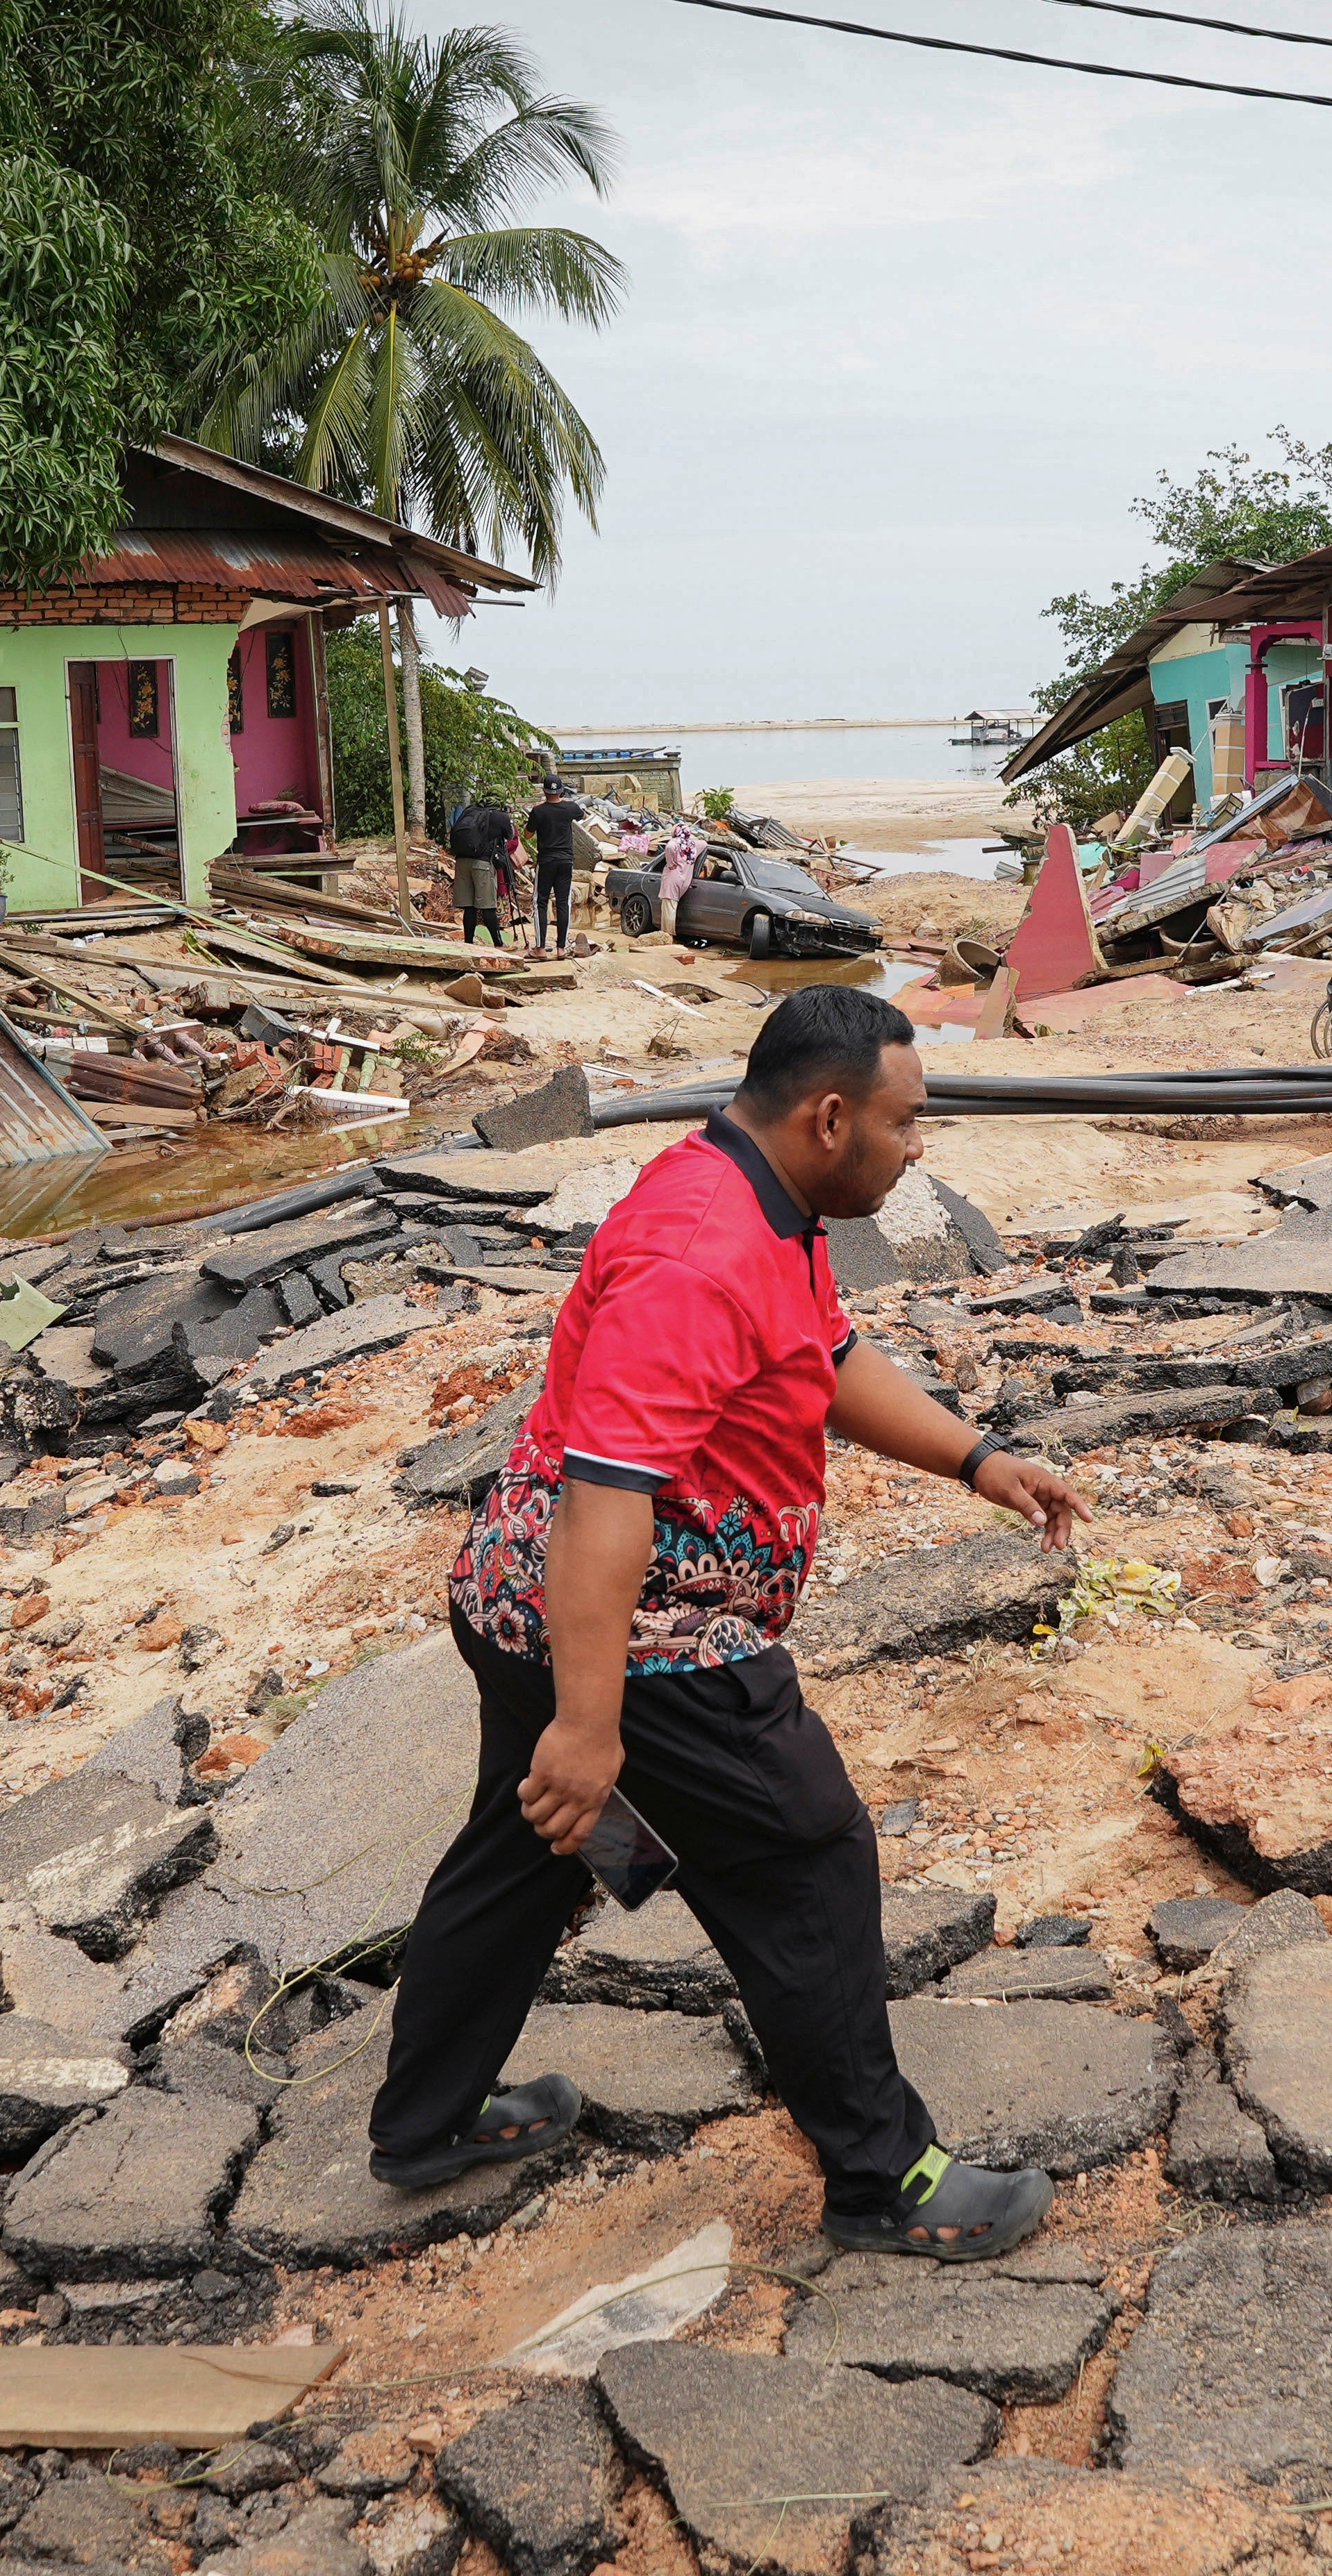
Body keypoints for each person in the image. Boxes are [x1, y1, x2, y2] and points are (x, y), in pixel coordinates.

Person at [374, 985, 1088, 2262]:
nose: (917, 1146)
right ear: (829, 1117)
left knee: (529, 1849)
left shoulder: (759, 1192)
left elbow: (822, 1356)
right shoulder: (697, 1258)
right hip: (647, 1641)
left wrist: (975, 1459)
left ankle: (426, 2123)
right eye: (906, 1123)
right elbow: (607, 1502)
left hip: (520, 1598)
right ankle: (885, 2178)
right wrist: (594, 1727)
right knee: (806, 1861)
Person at [522, 769, 599, 954]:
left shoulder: (538, 811)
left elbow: (527, 834)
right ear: (561, 791)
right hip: (566, 861)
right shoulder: (570, 807)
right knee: (564, 903)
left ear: (545, 791)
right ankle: (561, 948)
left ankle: (540, 949)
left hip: (547, 860)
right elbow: (585, 818)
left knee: (540, 902)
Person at [443, 785, 515, 948]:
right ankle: (499, 944)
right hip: (482, 864)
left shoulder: (471, 809)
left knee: (469, 907)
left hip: (462, 862)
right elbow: (510, 836)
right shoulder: (500, 815)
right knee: (487, 905)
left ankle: (469, 944)